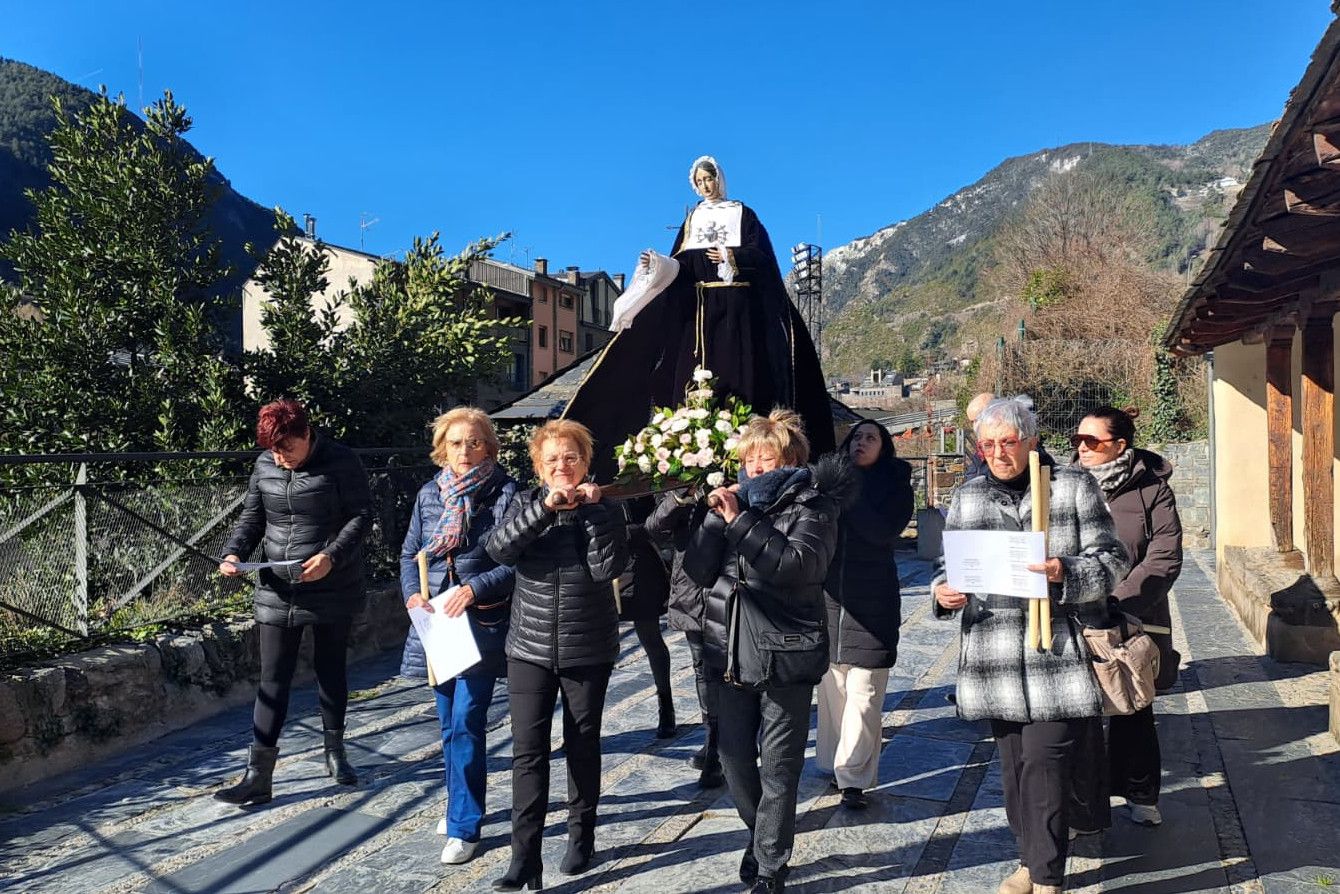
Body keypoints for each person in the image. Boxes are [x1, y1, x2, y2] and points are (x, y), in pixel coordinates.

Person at [932, 396, 1126, 894]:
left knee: (1045, 760)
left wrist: (1067, 573)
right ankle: (1029, 858)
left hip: (1058, 650)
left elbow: (1112, 558)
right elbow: (947, 565)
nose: (999, 453)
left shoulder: (1072, 487)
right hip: (994, 651)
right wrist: (942, 591)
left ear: (1032, 442)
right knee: (1015, 768)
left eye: (1009, 443)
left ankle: (1045, 876)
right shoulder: (969, 495)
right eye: (989, 444)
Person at [563, 156, 834, 481]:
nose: (707, 185)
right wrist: (657, 263)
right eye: (701, 181)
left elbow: (762, 257)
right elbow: (681, 267)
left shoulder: (743, 214)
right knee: (695, 377)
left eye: (711, 179)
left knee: (744, 374)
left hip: (740, 312)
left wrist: (732, 256)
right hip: (700, 313)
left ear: (720, 178)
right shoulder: (693, 220)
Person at [685, 409, 849, 894]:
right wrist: (716, 524)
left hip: (784, 652)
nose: (755, 466)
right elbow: (697, 571)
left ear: (790, 458)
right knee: (734, 759)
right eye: (748, 458)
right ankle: (760, 838)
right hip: (728, 650)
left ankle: (772, 865)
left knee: (778, 768)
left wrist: (741, 522)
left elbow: (797, 566)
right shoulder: (731, 504)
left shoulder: (813, 507)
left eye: (766, 457)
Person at [485, 419, 627, 890]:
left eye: (571, 457)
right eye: (552, 460)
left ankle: (580, 837)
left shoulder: (606, 509)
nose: (562, 466)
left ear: (585, 462)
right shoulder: (524, 502)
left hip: (588, 644)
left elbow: (606, 566)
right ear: (538, 467)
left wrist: (592, 512)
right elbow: (500, 550)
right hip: (528, 646)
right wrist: (546, 510)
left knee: (582, 743)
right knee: (527, 752)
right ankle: (524, 856)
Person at [214, 399, 372, 806]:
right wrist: (234, 554)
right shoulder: (265, 464)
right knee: (272, 678)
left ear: (306, 433)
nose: (280, 458)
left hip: (331, 583)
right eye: (273, 451)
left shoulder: (341, 461)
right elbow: (251, 518)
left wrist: (331, 557)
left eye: (287, 448)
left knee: (330, 668)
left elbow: (361, 517)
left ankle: (335, 754)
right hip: (276, 586)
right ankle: (258, 776)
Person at [399, 407, 517, 865]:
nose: (464, 451)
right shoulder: (430, 494)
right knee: (448, 723)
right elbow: (410, 553)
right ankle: (457, 805)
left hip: (482, 623)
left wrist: (471, 588)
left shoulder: (506, 493)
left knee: (468, 718)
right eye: (455, 443)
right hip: (437, 626)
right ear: (441, 448)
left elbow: (513, 563)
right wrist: (412, 596)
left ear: (488, 446)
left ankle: (465, 827)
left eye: (474, 442)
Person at [1071, 406, 1183, 829]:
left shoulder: (1151, 488)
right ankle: (1084, 804)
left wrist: (1118, 602)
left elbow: (1163, 556)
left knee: (1131, 705)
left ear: (1120, 445)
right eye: (1077, 440)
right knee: (1077, 714)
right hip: (1075, 613)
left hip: (1132, 615)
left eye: (1092, 441)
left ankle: (1139, 792)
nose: (1082, 448)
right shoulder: (1065, 484)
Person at [816, 421, 914, 810]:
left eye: (871, 437)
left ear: (884, 447)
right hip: (829, 598)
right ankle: (833, 763)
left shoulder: (894, 485)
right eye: (856, 436)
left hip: (873, 600)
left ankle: (853, 779)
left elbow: (881, 531)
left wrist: (847, 493)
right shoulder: (828, 482)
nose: (861, 442)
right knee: (833, 688)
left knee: (864, 691)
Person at [646, 487, 726, 789]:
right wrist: (679, 497)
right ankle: (713, 742)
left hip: (731, 578)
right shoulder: (677, 475)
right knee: (703, 668)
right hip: (692, 586)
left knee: (736, 667)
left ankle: (735, 740)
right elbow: (656, 527)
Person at [615, 497, 677, 739]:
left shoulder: (632, 465)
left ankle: (666, 705)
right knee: (596, 648)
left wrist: (633, 531)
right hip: (604, 560)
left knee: (650, 637)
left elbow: (659, 516)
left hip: (640, 560)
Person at [963, 392, 995, 480]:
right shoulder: (980, 453)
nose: (974, 427)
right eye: (972, 422)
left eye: (976, 421)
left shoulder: (1010, 450)